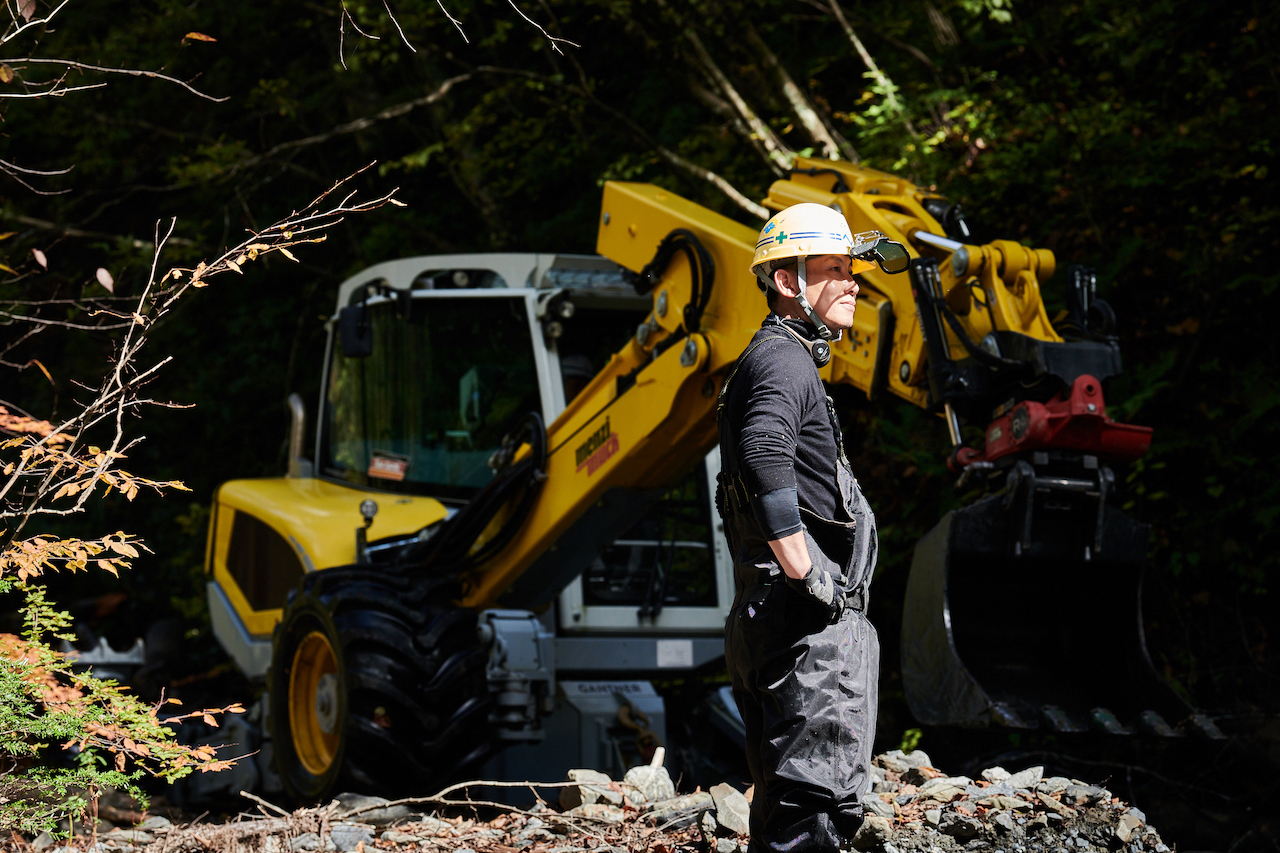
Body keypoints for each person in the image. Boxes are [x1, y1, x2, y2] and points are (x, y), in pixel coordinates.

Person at [716, 202, 903, 852]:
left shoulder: (774, 359)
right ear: (789, 282)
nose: (853, 283)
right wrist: (807, 570)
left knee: (788, 817)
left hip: (775, 624)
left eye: (854, 270)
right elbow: (765, 450)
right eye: (835, 269)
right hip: (806, 638)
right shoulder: (783, 361)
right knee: (813, 820)